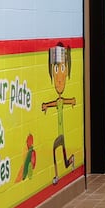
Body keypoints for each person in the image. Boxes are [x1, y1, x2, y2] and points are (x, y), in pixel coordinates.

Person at [41, 43, 77, 183]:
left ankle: (69, 162)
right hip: (60, 133)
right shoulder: (58, 102)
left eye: (62, 69)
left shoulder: (61, 101)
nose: (59, 78)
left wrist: (72, 101)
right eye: (56, 69)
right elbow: (54, 103)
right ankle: (62, 168)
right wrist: (45, 105)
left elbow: (66, 101)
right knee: (58, 152)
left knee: (59, 153)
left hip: (61, 133)